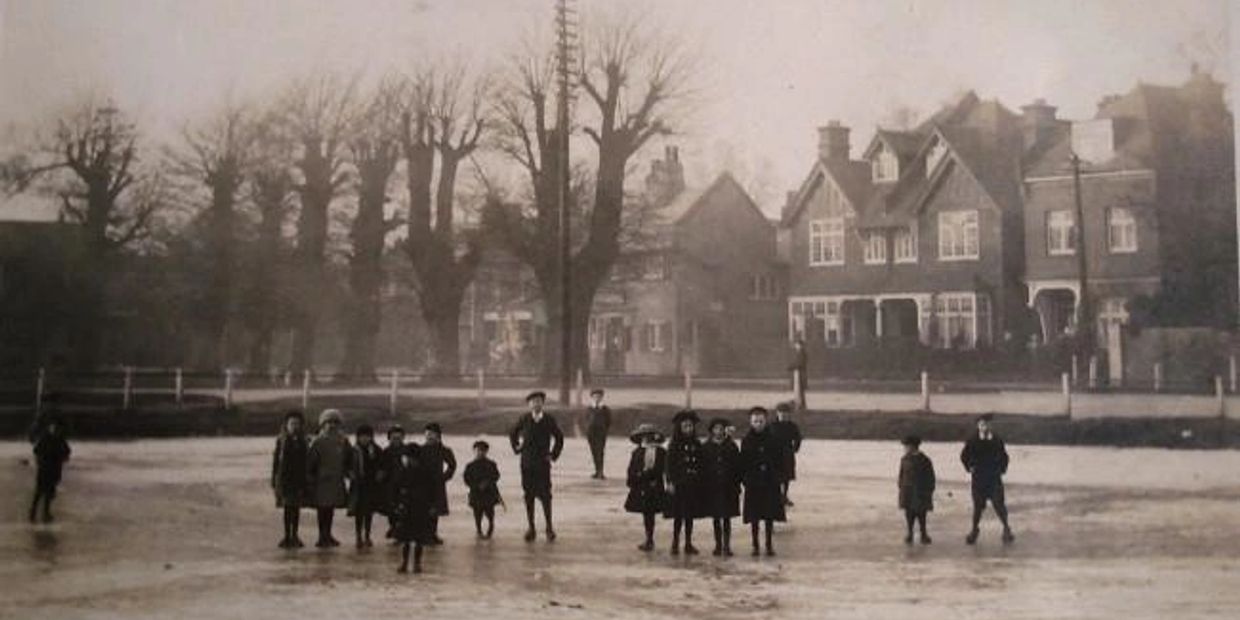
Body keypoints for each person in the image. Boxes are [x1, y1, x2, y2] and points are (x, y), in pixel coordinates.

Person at [509, 390, 564, 542]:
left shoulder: (548, 419)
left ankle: (549, 528)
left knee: (546, 496)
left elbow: (559, 437)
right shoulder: (524, 419)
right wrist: (517, 447)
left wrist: (553, 454)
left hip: (543, 464)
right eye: (533, 402)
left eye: (539, 401)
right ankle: (531, 528)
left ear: (543, 403)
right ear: (529, 404)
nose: (536, 404)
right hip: (527, 464)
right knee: (529, 495)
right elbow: (513, 433)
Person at [960, 413, 1014, 545]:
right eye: (982, 424)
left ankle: (1006, 529)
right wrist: (969, 467)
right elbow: (964, 456)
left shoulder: (997, 440)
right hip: (979, 479)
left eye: (987, 424)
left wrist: (1002, 469)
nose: (985, 427)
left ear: (991, 426)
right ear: (978, 426)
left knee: (999, 505)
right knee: (978, 507)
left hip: (994, 479)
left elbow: (1005, 457)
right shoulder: (972, 440)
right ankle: (974, 530)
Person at [740, 406, 786, 557]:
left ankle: (769, 544)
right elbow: (743, 462)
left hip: (769, 483)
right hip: (753, 483)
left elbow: (780, 460)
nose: (758, 424)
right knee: (754, 516)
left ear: (766, 421)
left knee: (769, 515)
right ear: (751, 422)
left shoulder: (774, 439)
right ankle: (755, 545)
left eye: (761, 421)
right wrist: (745, 479)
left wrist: (778, 476)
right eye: (755, 421)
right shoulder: (747, 440)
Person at [307, 409, 352, 548]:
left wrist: (349, 472)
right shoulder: (318, 441)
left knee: (330, 508)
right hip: (322, 481)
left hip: (336, 480)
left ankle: (328, 534)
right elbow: (310, 462)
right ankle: (322, 536)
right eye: (329, 422)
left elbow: (349, 458)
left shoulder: (343, 440)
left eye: (335, 422)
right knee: (322, 509)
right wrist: (312, 478)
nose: (332, 425)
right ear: (323, 424)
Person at [665, 409, 706, 556]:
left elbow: (701, 463)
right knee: (678, 515)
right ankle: (675, 542)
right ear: (679, 427)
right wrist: (670, 482)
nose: (688, 429)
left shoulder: (697, 444)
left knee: (690, 515)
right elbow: (668, 465)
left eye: (690, 426)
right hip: (679, 484)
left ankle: (688, 543)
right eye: (685, 426)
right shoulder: (674, 444)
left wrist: (701, 481)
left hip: (692, 484)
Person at [624, 423, 667, 552]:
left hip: (655, 486)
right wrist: (635, 478)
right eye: (644, 436)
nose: (647, 439)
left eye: (649, 436)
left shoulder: (661, 452)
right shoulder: (637, 452)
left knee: (651, 513)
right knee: (646, 514)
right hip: (641, 486)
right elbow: (631, 469)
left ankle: (650, 538)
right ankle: (649, 538)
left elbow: (664, 469)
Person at [390, 448, 434, 574]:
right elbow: (394, 488)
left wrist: (431, 505)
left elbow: (432, 490)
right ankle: (405, 563)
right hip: (407, 509)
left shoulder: (424, 472)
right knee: (406, 540)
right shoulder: (402, 471)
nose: (409, 460)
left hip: (419, 508)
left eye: (410, 458)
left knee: (418, 539)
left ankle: (416, 563)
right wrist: (396, 504)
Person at [702, 417, 741, 557]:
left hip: (728, 487)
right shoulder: (706, 446)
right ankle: (718, 545)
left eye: (721, 428)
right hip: (712, 487)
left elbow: (737, 466)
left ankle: (727, 545)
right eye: (716, 429)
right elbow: (703, 467)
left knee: (727, 517)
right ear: (711, 430)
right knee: (716, 517)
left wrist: (737, 484)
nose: (718, 431)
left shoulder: (731, 446)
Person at [271, 410, 308, 548]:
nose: (294, 426)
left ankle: (295, 535)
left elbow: (307, 462)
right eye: (292, 424)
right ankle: (287, 536)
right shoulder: (281, 441)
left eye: (297, 424)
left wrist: (306, 481)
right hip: (285, 480)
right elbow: (276, 462)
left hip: (299, 480)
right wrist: (274, 480)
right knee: (287, 509)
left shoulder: (304, 441)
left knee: (296, 509)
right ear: (286, 425)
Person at [29, 416, 71, 524]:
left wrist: (63, 457)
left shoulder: (58, 439)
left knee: (47, 492)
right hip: (46, 469)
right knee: (40, 492)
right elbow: (37, 450)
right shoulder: (47, 438)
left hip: (52, 469)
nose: (54, 429)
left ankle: (44, 512)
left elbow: (66, 451)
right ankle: (35, 512)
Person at [421, 422, 457, 546]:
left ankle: (433, 534)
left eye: (432, 434)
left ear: (438, 436)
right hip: (422, 484)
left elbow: (452, 465)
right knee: (424, 510)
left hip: (437, 484)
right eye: (427, 434)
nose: (429, 436)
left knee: (435, 511)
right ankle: (426, 535)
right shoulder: (421, 450)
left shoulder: (443, 450)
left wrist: (445, 477)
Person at [348, 424, 383, 548]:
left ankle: (367, 536)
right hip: (358, 485)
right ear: (358, 437)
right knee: (358, 513)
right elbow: (347, 464)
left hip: (371, 485)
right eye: (362, 436)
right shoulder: (354, 450)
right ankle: (358, 536)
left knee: (369, 512)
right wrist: (349, 473)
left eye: (367, 436)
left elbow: (382, 464)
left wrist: (380, 474)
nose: (365, 439)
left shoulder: (376, 450)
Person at [898, 435, 936, 545]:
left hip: (920, 491)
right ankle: (910, 533)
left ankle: (923, 534)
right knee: (909, 514)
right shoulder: (904, 459)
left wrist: (929, 490)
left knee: (921, 514)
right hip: (907, 491)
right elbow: (901, 474)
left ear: (913, 446)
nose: (905, 448)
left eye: (906, 446)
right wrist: (901, 486)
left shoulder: (925, 460)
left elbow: (931, 477)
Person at [463, 440, 502, 539]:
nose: (480, 452)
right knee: (477, 513)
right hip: (476, 493)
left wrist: (487, 483)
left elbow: (496, 475)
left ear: (486, 451)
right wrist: (476, 486)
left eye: (483, 450)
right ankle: (479, 530)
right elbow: (466, 479)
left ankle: (490, 527)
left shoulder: (491, 464)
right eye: (478, 450)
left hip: (489, 492)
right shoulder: (470, 465)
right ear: (475, 451)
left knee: (490, 513)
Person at [769, 402, 803, 507]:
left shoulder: (792, 426)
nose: (783, 415)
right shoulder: (772, 426)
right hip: (774, 454)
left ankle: (784, 496)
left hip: (787, 454)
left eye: (785, 413)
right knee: (775, 476)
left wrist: (795, 449)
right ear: (777, 413)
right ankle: (777, 496)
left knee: (786, 476)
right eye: (781, 413)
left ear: (789, 414)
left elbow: (798, 438)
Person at [380, 425, 408, 540]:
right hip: (389, 484)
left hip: (404, 483)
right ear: (389, 438)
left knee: (403, 507)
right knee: (390, 508)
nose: (396, 440)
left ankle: (401, 530)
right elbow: (381, 467)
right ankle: (393, 527)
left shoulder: (407, 450)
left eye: (398, 438)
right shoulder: (386, 452)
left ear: (403, 438)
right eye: (393, 438)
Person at [584, 388, 612, 479]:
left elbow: (608, 421)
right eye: (595, 396)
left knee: (600, 451)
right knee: (594, 452)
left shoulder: (605, 409)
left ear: (601, 397)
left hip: (601, 433)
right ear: (592, 397)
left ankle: (601, 471)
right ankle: (597, 471)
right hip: (591, 433)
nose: (597, 398)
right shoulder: (589, 408)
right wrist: (587, 429)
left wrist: (604, 430)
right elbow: (585, 419)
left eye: (599, 396)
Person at [787, 338, 808, 409]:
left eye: (797, 345)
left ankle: (800, 404)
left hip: (800, 374)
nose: (796, 346)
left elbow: (800, 363)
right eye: (796, 344)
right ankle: (800, 404)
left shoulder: (801, 353)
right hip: (798, 373)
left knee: (800, 390)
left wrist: (791, 367)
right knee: (799, 390)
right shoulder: (800, 352)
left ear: (800, 345)